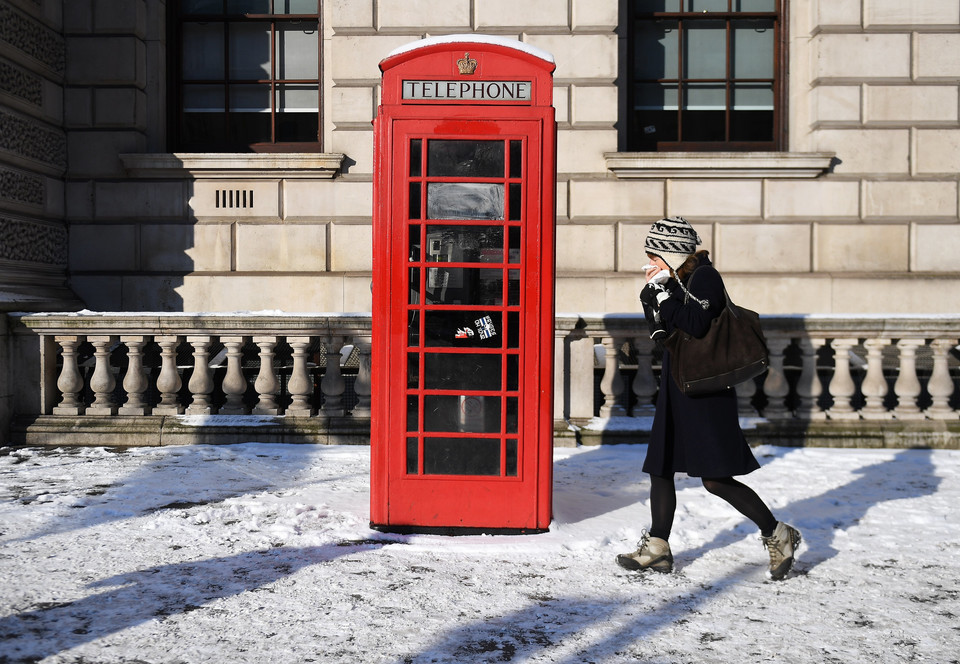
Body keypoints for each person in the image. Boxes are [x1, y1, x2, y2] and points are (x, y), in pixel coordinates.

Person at [616, 216, 801, 581]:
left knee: (715, 478)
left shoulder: (705, 278)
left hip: (705, 391)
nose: (650, 263)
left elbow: (697, 324)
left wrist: (665, 294)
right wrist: (652, 299)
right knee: (661, 467)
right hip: (677, 384)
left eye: (655, 255)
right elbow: (665, 334)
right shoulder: (678, 281)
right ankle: (657, 548)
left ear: (672, 253)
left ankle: (778, 532)